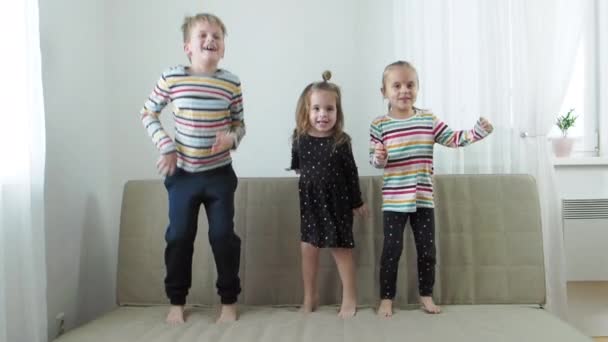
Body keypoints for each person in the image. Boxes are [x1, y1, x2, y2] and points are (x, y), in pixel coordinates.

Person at [139, 13, 245, 324]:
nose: (210, 40)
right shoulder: (172, 78)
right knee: (179, 236)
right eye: (203, 35)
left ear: (223, 48)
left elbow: (240, 123)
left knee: (223, 236)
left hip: (219, 177)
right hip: (182, 176)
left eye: (217, 36)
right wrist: (166, 146)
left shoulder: (231, 82)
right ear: (188, 46)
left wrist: (232, 138)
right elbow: (148, 113)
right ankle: (176, 301)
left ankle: (228, 301)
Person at [370, 61, 493, 317]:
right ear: (384, 91)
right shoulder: (379, 124)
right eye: (397, 85)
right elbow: (376, 159)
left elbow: (454, 139)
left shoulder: (427, 119)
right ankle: (386, 298)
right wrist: (379, 157)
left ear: (417, 88)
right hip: (394, 201)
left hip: (423, 199)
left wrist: (478, 132)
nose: (404, 90)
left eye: (410, 84)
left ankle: (425, 295)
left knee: (427, 250)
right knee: (391, 252)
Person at [289, 71, 367, 318]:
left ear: (337, 112)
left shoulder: (341, 141)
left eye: (329, 109)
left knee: (340, 249)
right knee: (308, 249)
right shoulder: (299, 138)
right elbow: (298, 165)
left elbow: (351, 173)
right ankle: (309, 295)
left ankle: (350, 296)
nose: (323, 114)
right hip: (311, 204)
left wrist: (357, 202)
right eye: (316, 109)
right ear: (306, 111)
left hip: (337, 204)